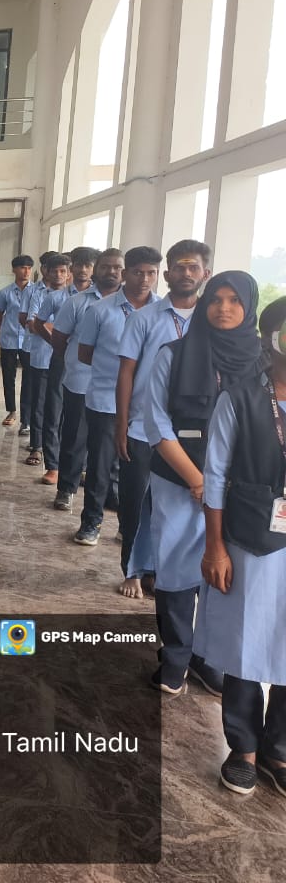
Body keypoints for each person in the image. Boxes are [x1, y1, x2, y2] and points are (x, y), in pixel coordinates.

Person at [144, 271, 260, 699]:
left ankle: (210, 658)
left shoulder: (261, 362)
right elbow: (157, 424)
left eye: (234, 300)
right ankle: (176, 656)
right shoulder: (173, 355)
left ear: (249, 307)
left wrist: (221, 487)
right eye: (215, 299)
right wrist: (200, 481)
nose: (223, 308)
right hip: (180, 481)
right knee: (177, 568)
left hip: (239, 490)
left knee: (225, 572)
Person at [196, 296, 286, 796]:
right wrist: (215, 547)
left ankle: (279, 749)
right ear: (271, 340)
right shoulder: (241, 398)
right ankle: (244, 747)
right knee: (246, 641)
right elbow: (214, 476)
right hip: (251, 540)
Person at [115, 240, 211, 597]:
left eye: (193, 267)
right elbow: (127, 372)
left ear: (205, 274)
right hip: (144, 427)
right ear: (168, 274)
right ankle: (132, 571)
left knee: (178, 508)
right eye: (179, 267)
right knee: (137, 502)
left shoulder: (211, 321)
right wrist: (121, 425)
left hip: (195, 435)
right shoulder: (144, 318)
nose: (186, 273)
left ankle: (166, 571)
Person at [74, 246, 160, 547]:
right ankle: (91, 522)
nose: (144, 279)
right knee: (100, 466)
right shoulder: (101, 310)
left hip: (146, 407)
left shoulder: (161, 312)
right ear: (126, 274)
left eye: (151, 273)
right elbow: (84, 353)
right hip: (106, 401)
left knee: (136, 472)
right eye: (138, 272)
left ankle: (128, 525)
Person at [52, 249, 123, 512]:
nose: (111, 272)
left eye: (117, 267)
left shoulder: (135, 307)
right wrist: (75, 362)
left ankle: (110, 491)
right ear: (97, 270)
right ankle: (66, 488)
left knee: (111, 444)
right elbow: (59, 339)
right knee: (75, 438)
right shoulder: (78, 303)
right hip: (81, 382)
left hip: (118, 389)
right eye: (105, 267)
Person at [34, 247, 97, 485]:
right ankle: (53, 465)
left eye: (88, 266)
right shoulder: (57, 298)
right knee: (54, 410)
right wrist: (58, 346)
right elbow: (38, 323)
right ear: (73, 269)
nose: (83, 270)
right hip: (61, 359)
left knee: (83, 415)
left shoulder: (101, 299)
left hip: (90, 365)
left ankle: (82, 465)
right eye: (78, 265)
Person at [19, 254, 67, 468]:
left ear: (69, 273)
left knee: (60, 405)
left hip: (66, 360)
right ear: (46, 271)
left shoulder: (74, 298)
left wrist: (51, 329)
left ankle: (59, 448)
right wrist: (62, 335)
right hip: (41, 356)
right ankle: (37, 446)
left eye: (62, 271)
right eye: (54, 270)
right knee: (39, 403)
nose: (58, 275)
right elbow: (32, 324)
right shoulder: (38, 294)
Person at [0, 255, 34, 428]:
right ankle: (11, 411)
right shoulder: (5, 293)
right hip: (9, 340)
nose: (26, 271)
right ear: (14, 270)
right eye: (22, 267)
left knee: (29, 379)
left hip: (28, 340)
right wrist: (7, 330)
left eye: (29, 268)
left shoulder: (36, 292)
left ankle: (27, 416)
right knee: (8, 377)